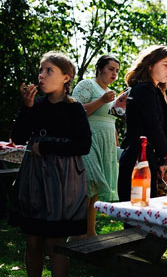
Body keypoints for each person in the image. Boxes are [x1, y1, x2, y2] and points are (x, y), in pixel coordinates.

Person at [12, 52, 92, 277]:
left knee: (56, 244)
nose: (41, 75)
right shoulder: (36, 105)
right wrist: (26, 108)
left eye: (49, 71)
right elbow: (18, 138)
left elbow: (83, 145)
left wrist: (47, 147)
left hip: (63, 183)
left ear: (66, 78)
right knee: (33, 241)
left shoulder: (75, 109)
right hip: (35, 182)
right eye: (41, 70)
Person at [118, 46, 167, 204]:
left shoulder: (154, 90)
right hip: (138, 158)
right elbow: (153, 125)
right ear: (150, 64)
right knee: (138, 211)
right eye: (165, 64)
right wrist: (166, 152)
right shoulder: (144, 89)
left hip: (147, 156)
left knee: (146, 209)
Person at [71, 55, 120, 239]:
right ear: (100, 68)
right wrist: (101, 100)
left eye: (116, 70)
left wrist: (116, 143)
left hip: (106, 143)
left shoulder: (112, 93)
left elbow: (111, 120)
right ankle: (75, 233)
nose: (114, 73)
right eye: (110, 69)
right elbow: (74, 112)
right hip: (88, 139)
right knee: (88, 183)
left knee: (95, 191)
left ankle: (90, 232)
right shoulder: (87, 85)